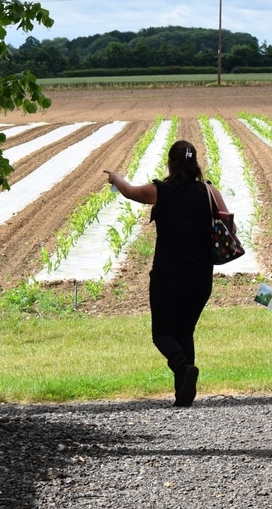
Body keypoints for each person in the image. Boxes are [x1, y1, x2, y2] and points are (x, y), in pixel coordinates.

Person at [104, 140, 232, 408]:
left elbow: (128, 191)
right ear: (195, 162)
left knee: (162, 333)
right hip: (200, 277)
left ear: (171, 163)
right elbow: (227, 219)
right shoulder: (209, 191)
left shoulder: (159, 191)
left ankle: (184, 368)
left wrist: (117, 178)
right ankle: (183, 395)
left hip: (168, 275)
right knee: (185, 331)